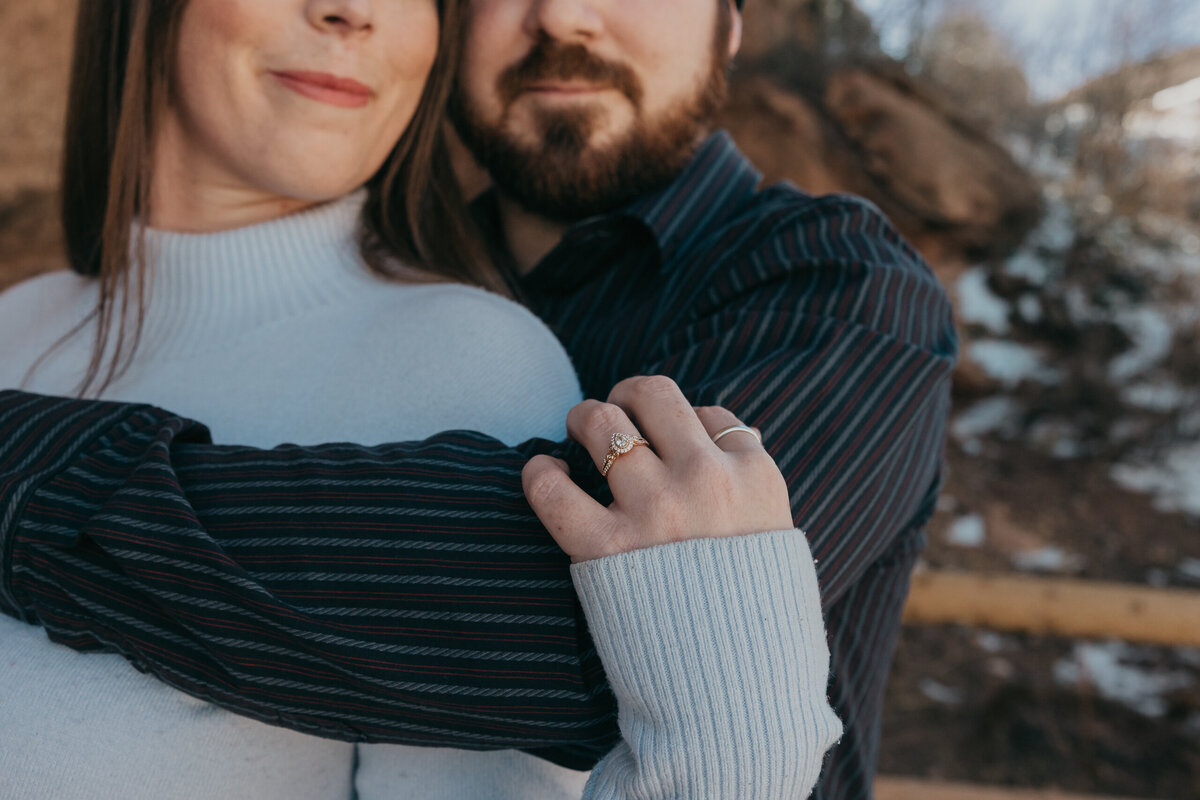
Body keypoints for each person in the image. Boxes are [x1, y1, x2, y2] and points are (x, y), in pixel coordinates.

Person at [0, 0, 957, 797]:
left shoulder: (835, 286)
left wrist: (29, 466)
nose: (563, 15)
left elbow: (578, 634)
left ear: (732, 22)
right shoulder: (439, 275)